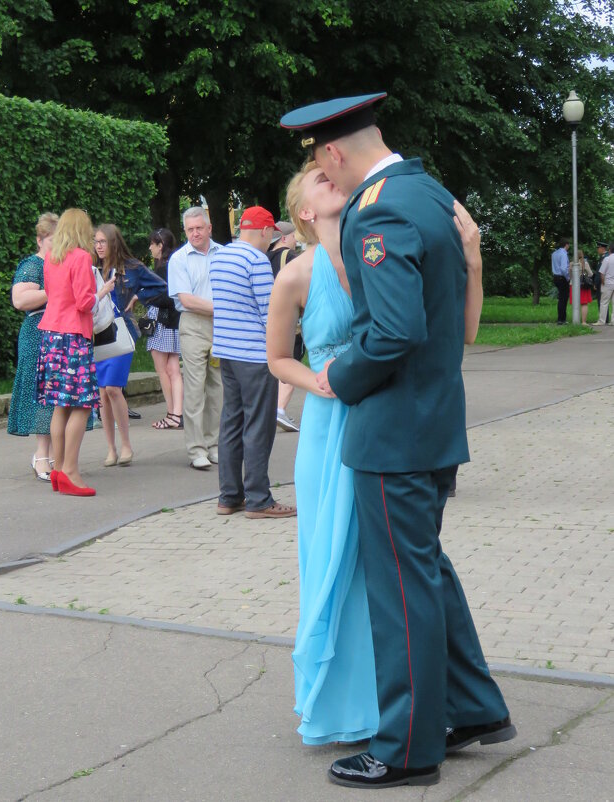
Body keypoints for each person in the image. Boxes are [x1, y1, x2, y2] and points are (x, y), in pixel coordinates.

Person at [281, 93, 515, 789]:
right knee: (427, 571)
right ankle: (473, 707)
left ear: (332, 152)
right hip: (433, 420)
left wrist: (339, 377)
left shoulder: (377, 209)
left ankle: (407, 747)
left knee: (402, 589)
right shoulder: (426, 190)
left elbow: (392, 332)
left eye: (323, 164)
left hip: (393, 430)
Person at [208, 206, 297, 520]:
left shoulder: (218, 256)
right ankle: (259, 499)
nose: (270, 243)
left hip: (227, 351)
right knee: (259, 426)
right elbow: (269, 312)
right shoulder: (256, 260)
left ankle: (229, 496)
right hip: (255, 355)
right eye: (270, 236)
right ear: (264, 231)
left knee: (231, 422)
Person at [36, 208, 115, 496]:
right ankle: (70, 470)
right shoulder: (81, 257)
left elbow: (54, 295)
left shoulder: (51, 258)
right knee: (82, 404)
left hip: (51, 336)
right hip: (73, 338)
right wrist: (101, 293)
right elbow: (83, 302)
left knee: (60, 405)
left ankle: (58, 471)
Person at [94, 223, 171, 467]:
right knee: (102, 393)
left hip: (122, 331)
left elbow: (161, 286)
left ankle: (126, 444)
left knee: (113, 388)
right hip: (98, 333)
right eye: (96, 242)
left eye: (102, 242)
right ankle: (110, 448)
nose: (98, 246)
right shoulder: (94, 269)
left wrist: (139, 296)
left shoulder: (132, 267)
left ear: (113, 242)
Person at [168, 207, 223, 470]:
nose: (195, 233)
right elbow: (186, 299)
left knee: (218, 388)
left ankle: (213, 445)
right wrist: (223, 308)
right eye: (190, 229)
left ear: (209, 228)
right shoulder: (179, 259)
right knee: (194, 388)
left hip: (221, 327)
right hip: (193, 325)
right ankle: (196, 449)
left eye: (199, 228)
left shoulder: (223, 254)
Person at [8, 212, 59, 481]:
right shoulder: (32, 265)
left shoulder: (62, 264)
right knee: (42, 394)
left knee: (56, 396)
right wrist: (56, 292)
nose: (57, 245)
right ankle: (41, 455)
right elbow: (20, 300)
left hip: (61, 333)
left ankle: (54, 456)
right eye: (52, 240)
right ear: (40, 240)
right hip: (37, 334)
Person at [146, 228, 184, 430]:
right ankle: (178, 413)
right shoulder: (176, 265)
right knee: (174, 370)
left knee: (163, 370)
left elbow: (164, 297)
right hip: (176, 322)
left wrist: (144, 295)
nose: (150, 247)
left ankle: (172, 414)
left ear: (160, 246)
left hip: (161, 322)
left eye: (153, 244)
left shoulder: (161, 270)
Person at [267, 220, 301, 433]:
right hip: (290, 319)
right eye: (295, 236)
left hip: (268, 318)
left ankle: (271, 407)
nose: (296, 241)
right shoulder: (289, 258)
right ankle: (279, 409)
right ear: (285, 237)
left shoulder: (262, 257)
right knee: (292, 363)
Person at [569, 249, 593, 325]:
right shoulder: (584, 263)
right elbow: (591, 274)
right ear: (582, 255)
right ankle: (583, 322)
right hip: (583, 285)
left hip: (573, 285)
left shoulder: (571, 264)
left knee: (575, 304)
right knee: (584, 304)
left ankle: (575, 321)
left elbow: (570, 275)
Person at [551, 237, 571, 325]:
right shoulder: (563, 254)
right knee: (564, 299)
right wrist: (568, 277)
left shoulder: (554, 253)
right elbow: (563, 268)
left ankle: (560, 318)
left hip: (555, 277)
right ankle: (562, 319)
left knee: (561, 299)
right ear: (566, 245)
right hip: (562, 278)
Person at [594, 242, 614, 325]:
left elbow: (602, 273)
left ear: (609, 250)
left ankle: (601, 321)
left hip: (608, 283)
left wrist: (603, 283)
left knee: (604, 302)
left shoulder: (607, 259)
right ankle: (613, 321)